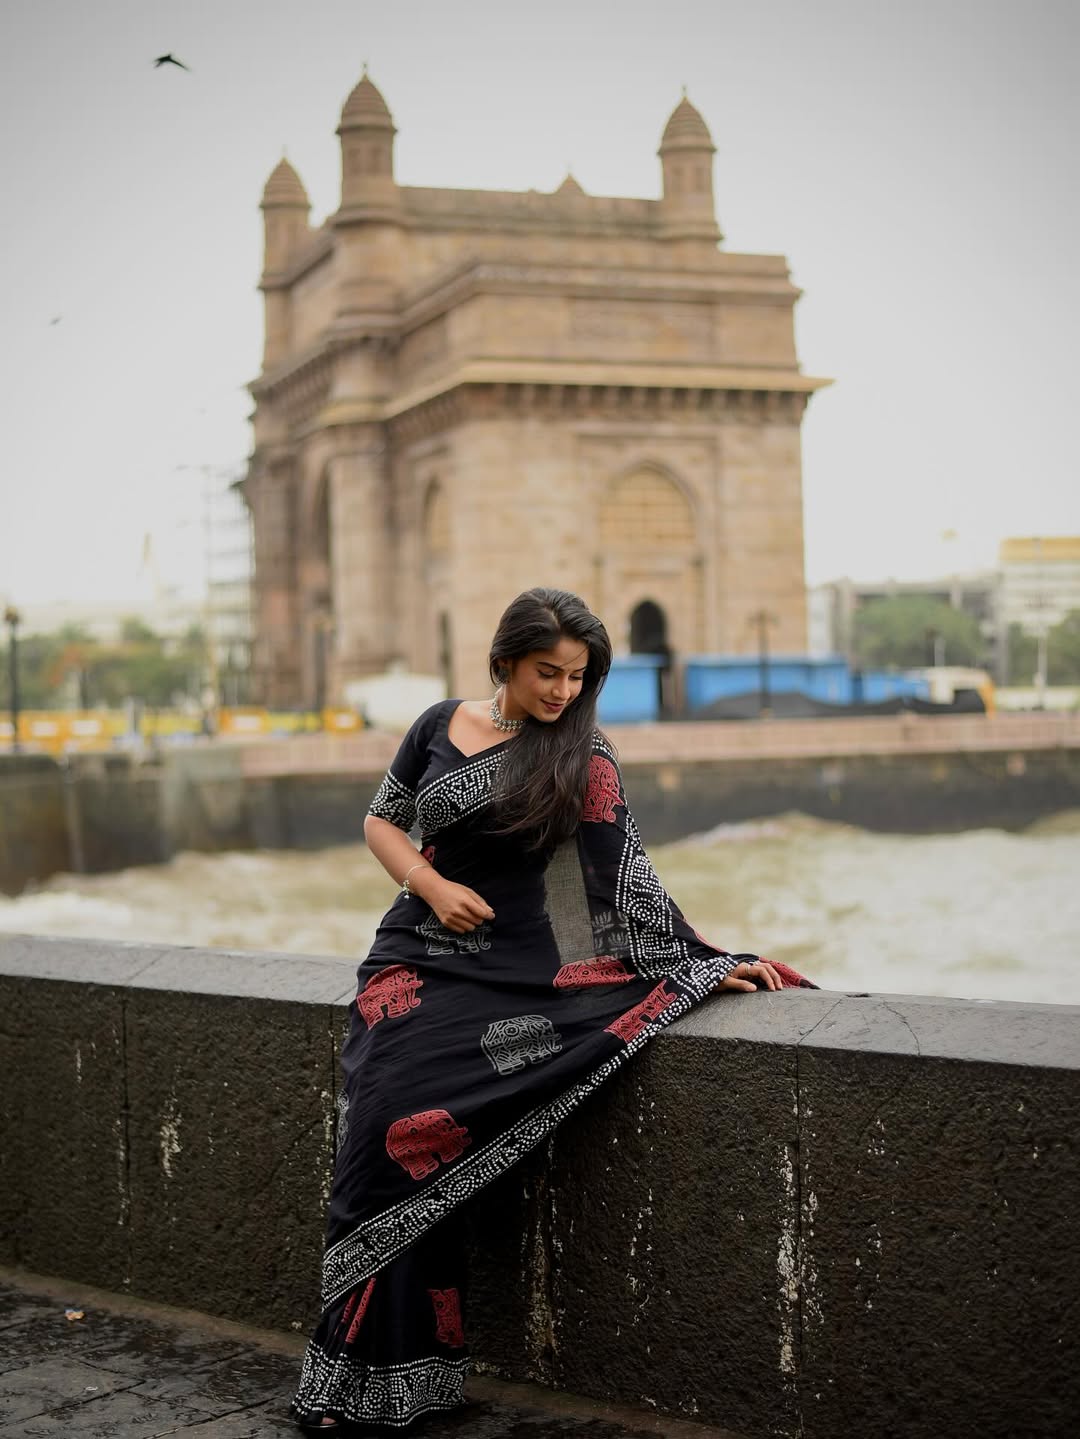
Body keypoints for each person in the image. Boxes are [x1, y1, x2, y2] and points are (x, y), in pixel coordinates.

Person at [291, 587, 812, 1435]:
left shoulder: (584, 753)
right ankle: (364, 1376)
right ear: (502, 662)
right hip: (413, 960)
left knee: (410, 1142)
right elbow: (382, 821)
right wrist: (428, 882)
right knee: (377, 1135)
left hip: (525, 978)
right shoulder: (434, 725)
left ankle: (411, 1378)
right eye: (547, 672)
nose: (563, 692)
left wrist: (699, 965)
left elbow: (625, 879)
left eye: (577, 676)